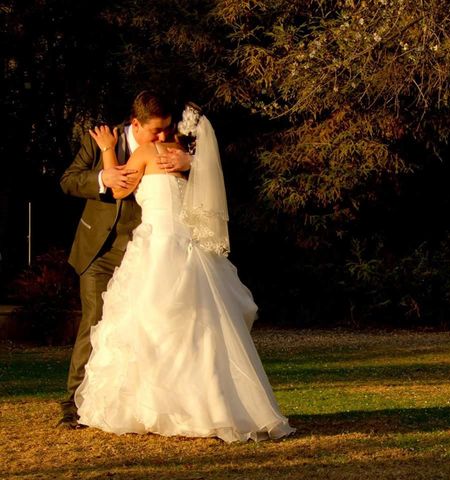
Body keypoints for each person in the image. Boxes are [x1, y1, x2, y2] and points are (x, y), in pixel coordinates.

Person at [72, 103, 295, 442]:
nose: (161, 135)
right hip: (191, 249)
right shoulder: (189, 160)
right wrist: (194, 162)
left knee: (151, 325)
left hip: (157, 247)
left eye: (165, 128)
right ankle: (209, 407)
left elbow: (118, 189)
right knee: (200, 330)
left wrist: (106, 150)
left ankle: (156, 408)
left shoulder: (148, 152)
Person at [59, 91, 191, 428]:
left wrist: (190, 163)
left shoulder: (176, 146)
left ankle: (131, 401)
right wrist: (104, 177)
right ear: (135, 123)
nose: (162, 138)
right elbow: (69, 180)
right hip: (99, 250)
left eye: (166, 129)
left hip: (145, 252)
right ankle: (75, 403)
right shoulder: (103, 139)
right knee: (95, 320)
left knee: (143, 326)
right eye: (155, 132)